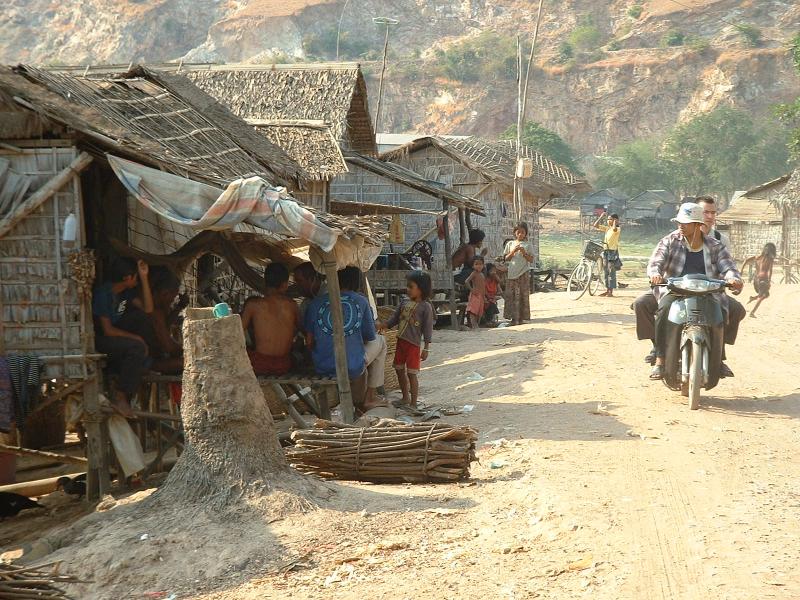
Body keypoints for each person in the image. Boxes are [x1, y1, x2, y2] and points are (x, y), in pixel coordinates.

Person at [635, 203, 744, 380]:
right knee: (661, 311)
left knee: (733, 311)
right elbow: (656, 262)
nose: (681, 226)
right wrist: (655, 274)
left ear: (697, 225)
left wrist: (733, 279)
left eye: (686, 223)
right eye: (679, 222)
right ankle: (660, 358)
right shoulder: (670, 240)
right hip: (676, 290)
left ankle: (718, 357)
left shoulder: (715, 245)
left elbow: (728, 266)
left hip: (708, 292)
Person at [304, 266, 377, 413]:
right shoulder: (361, 302)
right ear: (357, 282)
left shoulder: (315, 303)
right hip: (352, 366)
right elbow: (369, 336)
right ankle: (368, 397)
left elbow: (309, 342)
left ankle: (360, 400)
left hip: (322, 366)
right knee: (380, 343)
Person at [92, 257, 153, 417]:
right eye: (136, 276)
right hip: (102, 339)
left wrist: (144, 276)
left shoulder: (127, 292)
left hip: (117, 335)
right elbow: (108, 330)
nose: (137, 279)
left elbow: (148, 309)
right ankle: (121, 397)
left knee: (142, 319)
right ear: (127, 278)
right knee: (136, 347)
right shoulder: (102, 294)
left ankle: (140, 365)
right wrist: (137, 339)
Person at [379, 271, 434, 407]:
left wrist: (426, 348)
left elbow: (428, 329)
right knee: (398, 370)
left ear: (421, 289)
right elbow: (394, 319)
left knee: (411, 374)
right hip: (401, 342)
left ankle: (413, 403)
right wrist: (383, 325)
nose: (407, 289)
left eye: (411, 287)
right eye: (407, 286)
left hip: (413, 345)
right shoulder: (404, 302)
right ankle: (405, 398)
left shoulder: (426, 307)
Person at [241, 263, 300, 376]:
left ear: (265, 282)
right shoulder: (292, 305)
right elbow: (303, 329)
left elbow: (237, 333)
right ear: (285, 285)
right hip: (283, 365)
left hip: (259, 365)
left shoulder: (253, 305)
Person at [147, 267, 186, 374]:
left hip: (155, 357)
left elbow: (165, 325)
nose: (172, 301)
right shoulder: (155, 312)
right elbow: (169, 347)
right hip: (147, 362)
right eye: (172, 297)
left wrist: (179, 307)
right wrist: (186, 351)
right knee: (187, 364)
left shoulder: (159, 309)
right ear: (164, 293)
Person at [503, 222, 534, 325]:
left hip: (523, 273)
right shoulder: (510, 244)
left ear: (526, 233)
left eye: (523, 232)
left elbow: (531, 260)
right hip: (512, 273)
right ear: (515, 233)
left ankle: (521, 318)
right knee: (511, 295)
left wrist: (524, 253)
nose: (520, 234)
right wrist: (513, 252)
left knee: (522, 295)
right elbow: (506, 258)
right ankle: (513, 318)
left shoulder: (528, 245)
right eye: (518, 232)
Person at [742, 243, 777, 318]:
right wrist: (769, 281)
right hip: (763, 279)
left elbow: (746, 261)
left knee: (766, 295)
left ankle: (753, 298)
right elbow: (770, 271)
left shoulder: (757, 257)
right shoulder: (770, 259)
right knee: (762, 296)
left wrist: (741, 271)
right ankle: (752, 312)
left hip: (756, 280)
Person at [592, 212, 621, 297]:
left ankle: (610, 291)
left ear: (615, 220)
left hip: (613, 252)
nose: (608, 221)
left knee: (611, 271)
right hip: (606, 251)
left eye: (610, 219)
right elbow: (595, 225)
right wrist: (601, 216)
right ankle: (607, 289)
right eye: (608, 219)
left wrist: (615, 222)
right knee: (605, 271)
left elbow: (615, 229)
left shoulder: (617, 229)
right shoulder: (607, 229)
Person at [465, 256, 487, 329]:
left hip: (481, 296)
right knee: (473, 311)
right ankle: (474, 324)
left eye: (480, 264)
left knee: (479, 311)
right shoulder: (474, 273)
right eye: (476, 264)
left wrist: (484, 296)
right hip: (475, 295)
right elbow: (466, 281)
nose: (479, 266)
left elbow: (483, 286)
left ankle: (476, 324)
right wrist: (472, 290)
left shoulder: (482, 274)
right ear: (473, 265)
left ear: (483, 265)